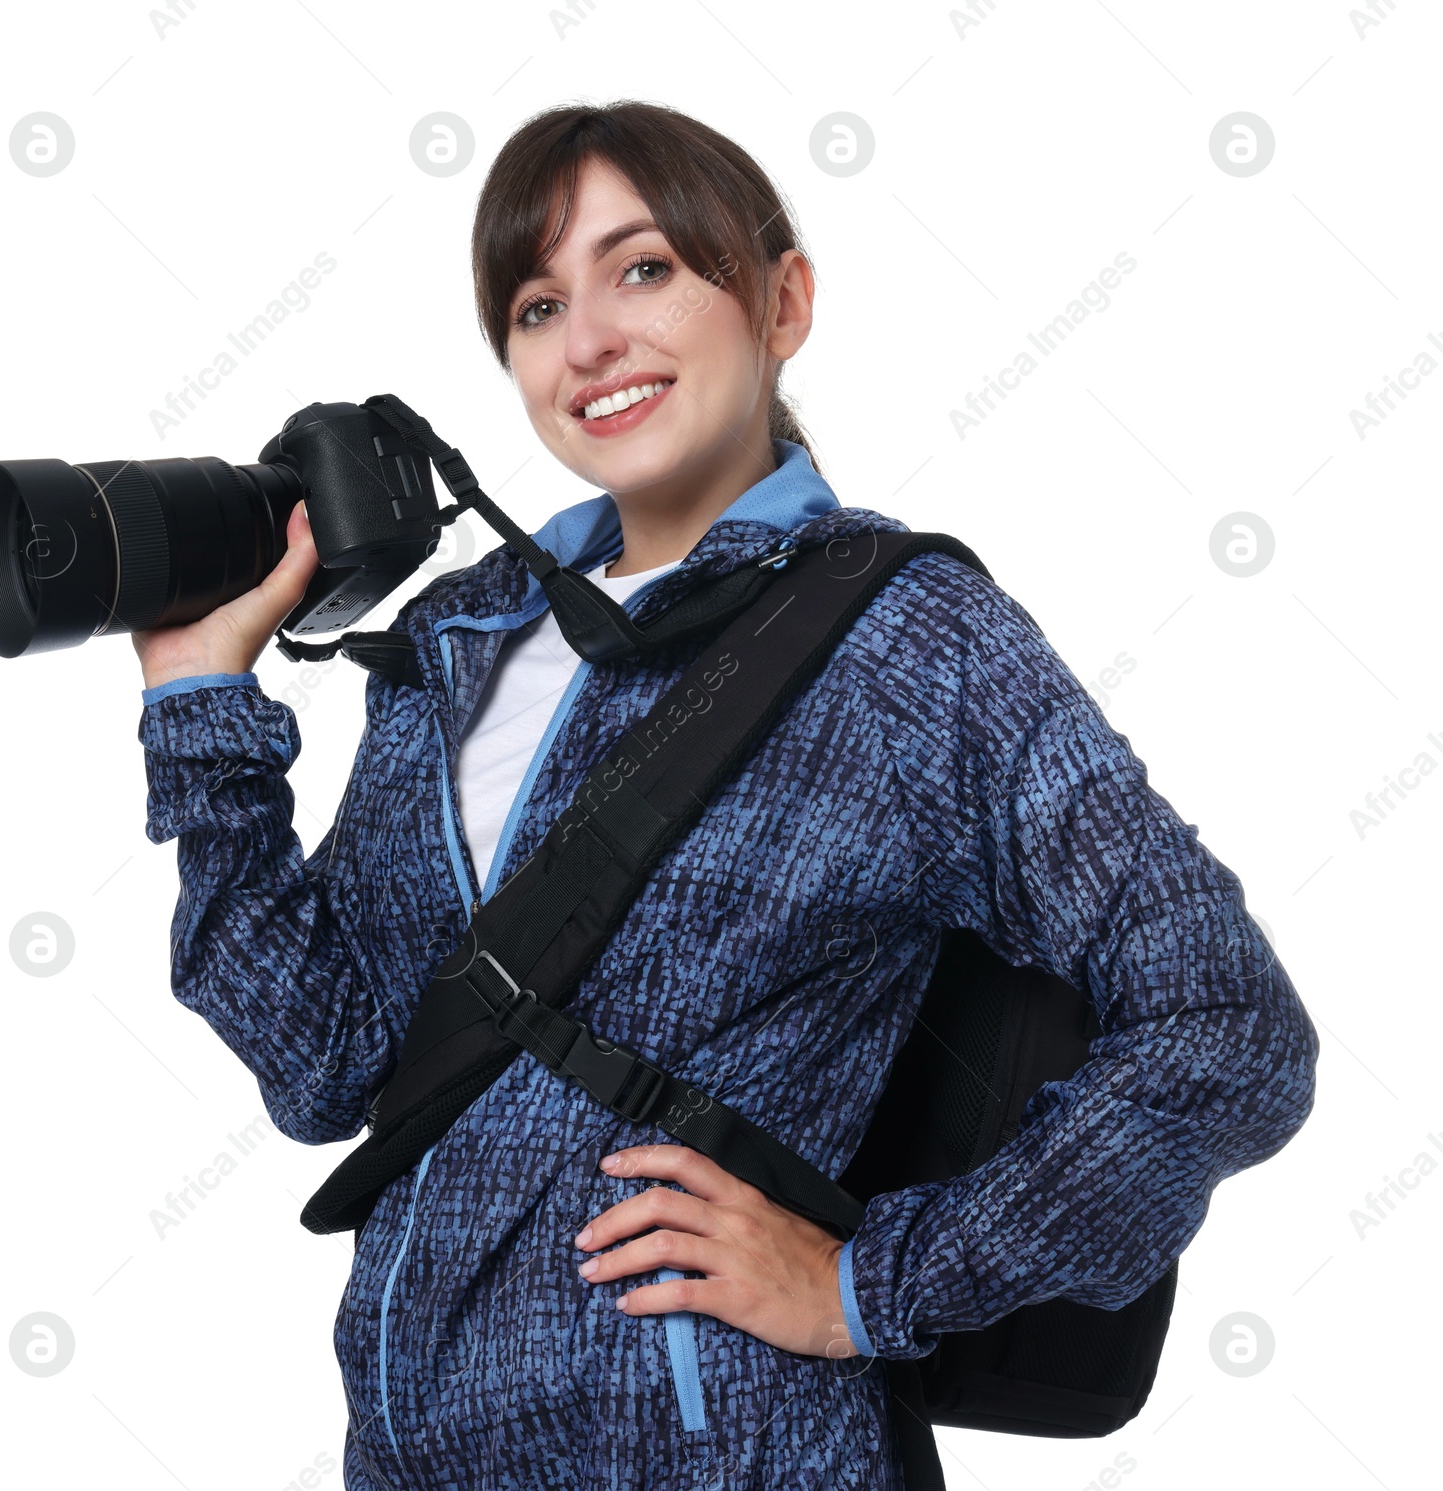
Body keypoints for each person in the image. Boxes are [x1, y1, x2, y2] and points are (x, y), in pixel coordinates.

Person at [132, 101, 1317, 1490]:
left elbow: (1227, 1029)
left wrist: (873, 1286)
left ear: (782, 300)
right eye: (535, 303)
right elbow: (326, 1065)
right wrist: (196, 707)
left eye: (644, 270)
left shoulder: (906, 643)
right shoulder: (456, 644)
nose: (587, 343)